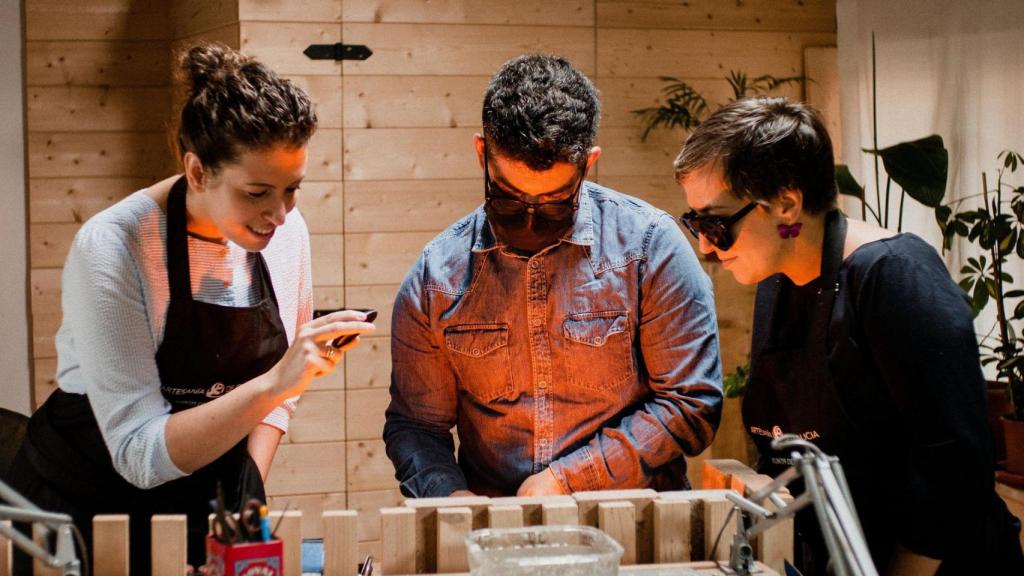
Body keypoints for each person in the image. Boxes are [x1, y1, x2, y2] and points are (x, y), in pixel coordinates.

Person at [8, 43, 375, 573]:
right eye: (256, 192)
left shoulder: (286, 232)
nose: (279, 213)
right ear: (198, 172)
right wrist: (277, 381)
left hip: (209, 499)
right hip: (85, 504)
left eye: (292, 189)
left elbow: (273, 406)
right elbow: (138, 453)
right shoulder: (115, 246)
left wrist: (235, 511)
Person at [674, 96, 1024, 575]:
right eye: (694, 223)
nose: (705, 246)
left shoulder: (895, 277)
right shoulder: (777, 282)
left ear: (787, 203)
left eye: (715, 224)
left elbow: (955, 469)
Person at [383, 54, 723, 499]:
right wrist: (450, 498)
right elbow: (416, 424)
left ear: (588, 163)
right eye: (508, 197)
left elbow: (690, 402)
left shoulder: (649, 249)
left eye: (555, 202)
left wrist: (569, 480)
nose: (529, 220)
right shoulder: (437, 277)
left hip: (632, 522)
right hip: (495, 530)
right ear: (482, 153)